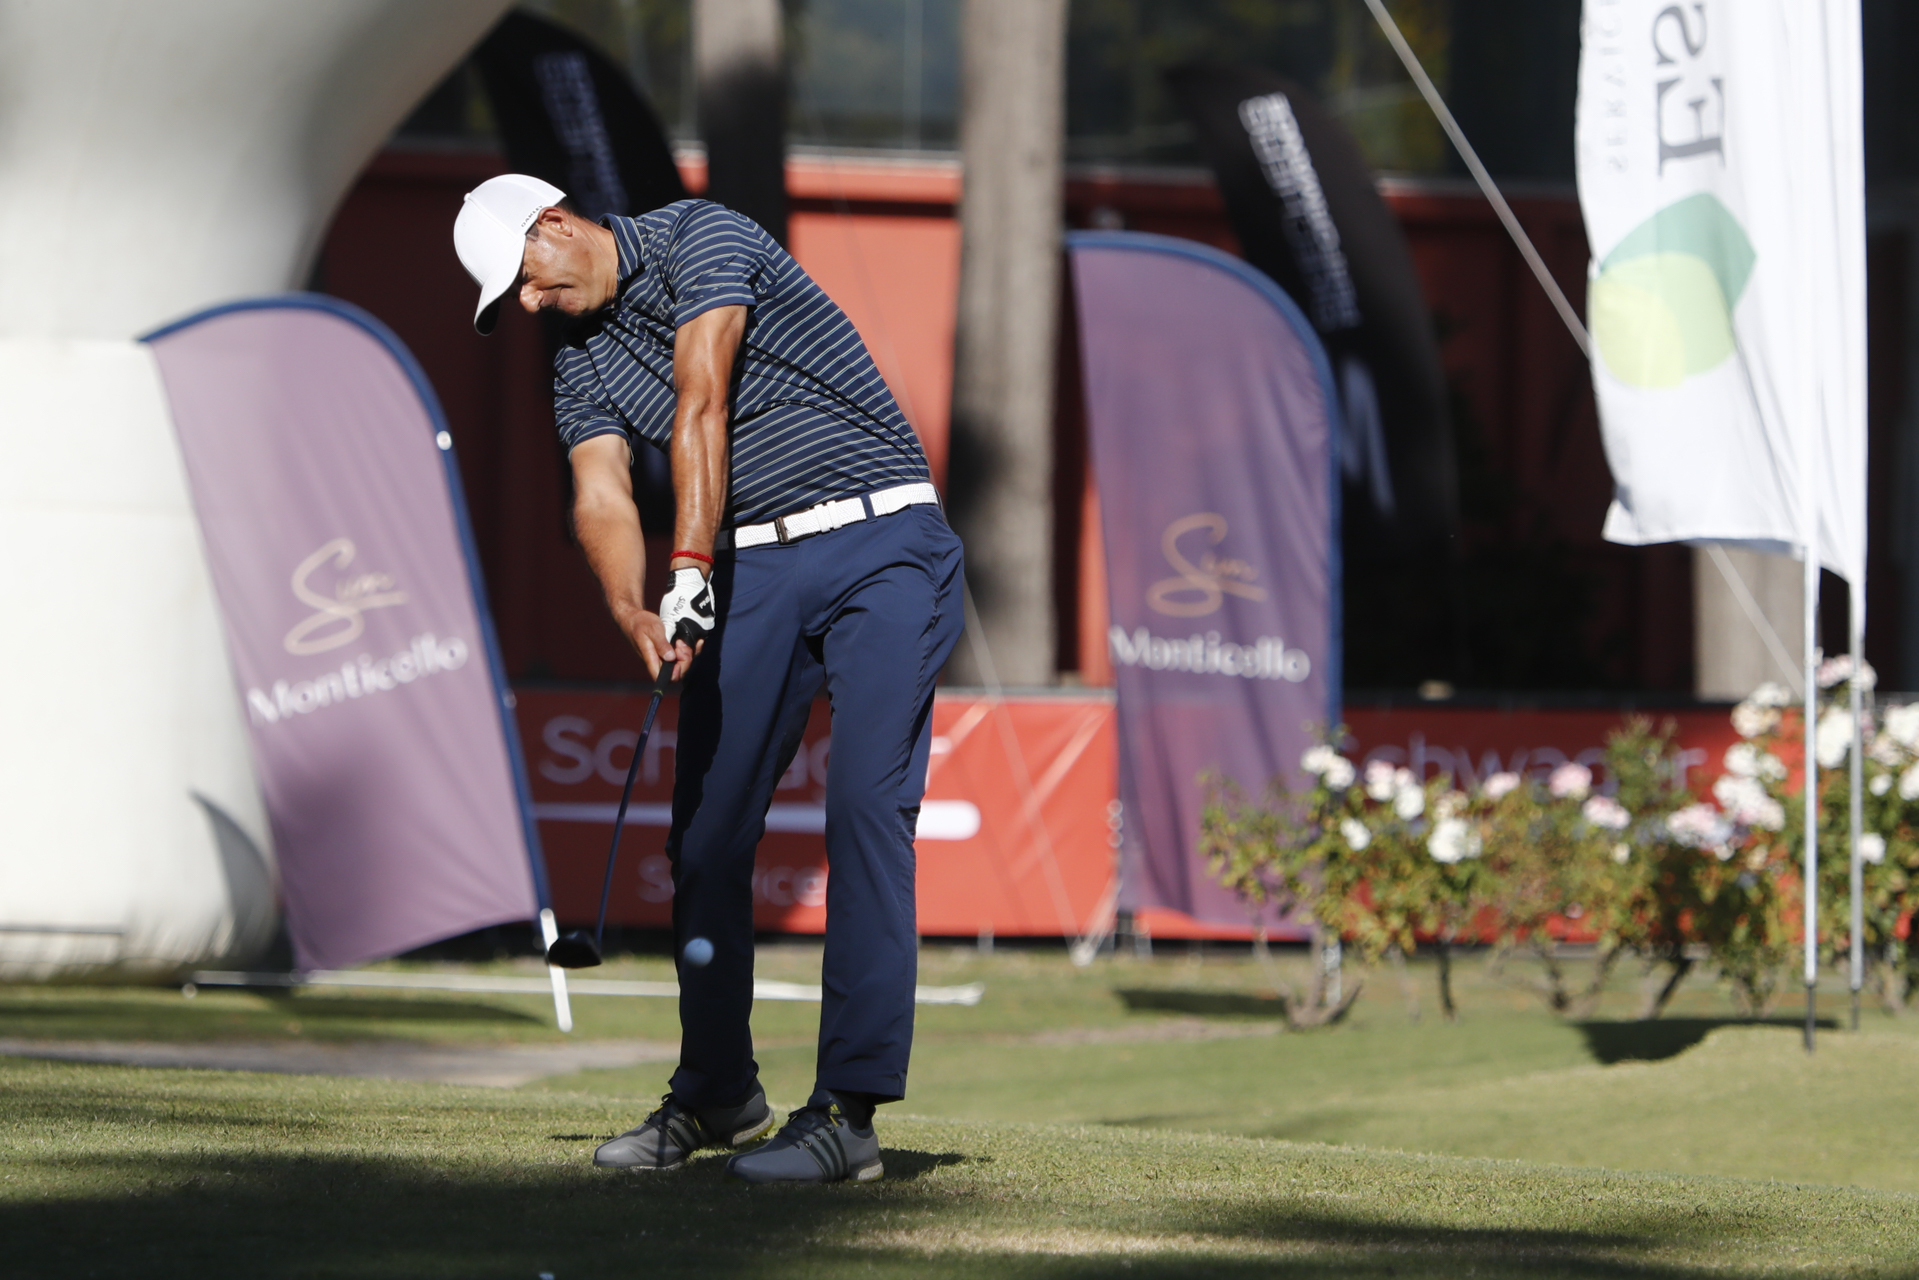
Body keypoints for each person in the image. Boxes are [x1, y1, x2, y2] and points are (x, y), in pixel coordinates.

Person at [452, 174, 963, 1184]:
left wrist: (685, 565)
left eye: (525, 277)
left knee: (865, 808)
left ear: (554, 223)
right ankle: (718, 1088)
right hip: (756, 568)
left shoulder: (702, 234)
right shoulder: (579, 360)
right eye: (513, 296)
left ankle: (847, 1112)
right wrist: (630, 607)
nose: (528, 303)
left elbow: (702, 396)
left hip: (882, 541)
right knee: (706, 836)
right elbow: (600, 494)